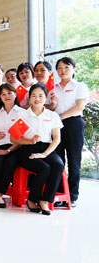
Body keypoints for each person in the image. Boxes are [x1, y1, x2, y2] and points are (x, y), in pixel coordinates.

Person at [11, 84, 64, 215]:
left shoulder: (52, 115)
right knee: (44, 168)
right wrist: (30, 141)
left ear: (46, 98)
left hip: (47, 148)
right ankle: (31, 200)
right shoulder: (23, 115)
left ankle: (45, 200)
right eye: (33, 96)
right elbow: (14, 138)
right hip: (28, 149)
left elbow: (57, 138)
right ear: (29, 98)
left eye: (41, 96)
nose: (37, 99)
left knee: (58, 165)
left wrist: (44, 154)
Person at [52, 56, 88, 208]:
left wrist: (60, 116)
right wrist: (53, 107)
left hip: (73, 123)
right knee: (58, 160)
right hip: (57, 126)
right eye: (60, 68)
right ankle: (61, 193)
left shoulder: (80, 86)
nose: (63, 70)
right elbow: (51, 107)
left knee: (74, 160)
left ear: (74, 69)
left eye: (66, 67)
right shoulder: (53, 88)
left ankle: (72, 196)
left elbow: (80, 106)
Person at [0, 84, 25, 208]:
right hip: (0, 146)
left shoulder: (22, 113)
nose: (6, 96)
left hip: (16, 148)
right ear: (0, 98)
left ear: (15, 94)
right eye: (3, 94)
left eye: (9, 93)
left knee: (9, 163)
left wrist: (8, 150)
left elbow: (21, 139)